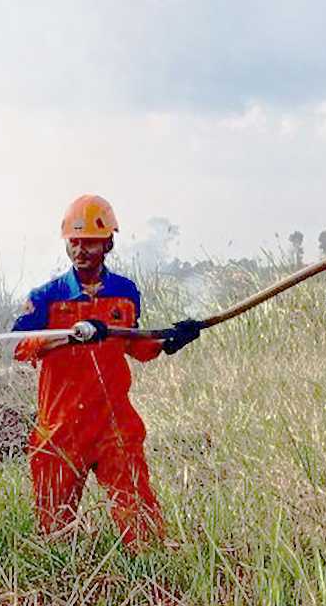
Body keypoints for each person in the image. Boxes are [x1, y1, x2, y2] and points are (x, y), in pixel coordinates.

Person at [12, 195, 200, 549]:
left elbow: (137, 346)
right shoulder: (47, 297)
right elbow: (20, 347)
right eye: (75, 242)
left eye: (90, 242)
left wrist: (172, 340)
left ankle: (150, 583)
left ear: (108, 243)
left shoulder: (125, 293)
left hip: (114, 425)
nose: (81, 250)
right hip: (61, 429)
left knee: (142, 527)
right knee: (55, 535)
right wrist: (70, 337)